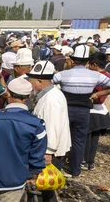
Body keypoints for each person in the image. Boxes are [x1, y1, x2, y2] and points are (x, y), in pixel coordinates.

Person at [0, 78, 47, 202]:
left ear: (8, 93)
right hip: (16, 180)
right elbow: (37, 154)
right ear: (28, 96)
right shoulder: (36, 124)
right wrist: (34, 174)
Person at [52, 45, 110, 177]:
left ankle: (58, 168)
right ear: (87, 62)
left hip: (66, 110)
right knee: (79, 141)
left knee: (62, 139)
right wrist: (99, 93)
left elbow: (50, 82)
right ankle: (75, 170)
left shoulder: (63, 74)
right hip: (84, 112)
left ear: (73, 61)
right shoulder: (95, 75)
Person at [27, 60, 71, 202]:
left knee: (45, 186)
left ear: (40, 81)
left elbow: (52, 126)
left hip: (48, 151)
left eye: (31, 81)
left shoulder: (51, 99)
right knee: (45, 186)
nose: (30, 84)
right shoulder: (49, 95)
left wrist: (48, 152)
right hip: (47, 150)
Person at [83, 52, 110, 171]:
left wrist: (96, 94)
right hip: (101, 111)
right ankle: (90, 162)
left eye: (89, 64)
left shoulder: (98, 77)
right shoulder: (107, 75)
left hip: (92, 110)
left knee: (86, 137)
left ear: (94, 65)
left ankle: (84, 160)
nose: (88, 67)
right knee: (94, 138)